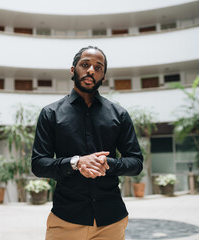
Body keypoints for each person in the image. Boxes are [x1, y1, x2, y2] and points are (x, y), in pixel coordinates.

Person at [31, 46, 143, 240]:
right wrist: (76, 163)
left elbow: (136, 163)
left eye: (98, 67)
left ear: (103, 77)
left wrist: (108, 164)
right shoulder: (51, 114)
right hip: (66, 220)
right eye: (85, 65)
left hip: (111, 222)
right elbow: (39, 165)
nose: (91, 70)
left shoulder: (119, 115)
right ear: (73, 70)